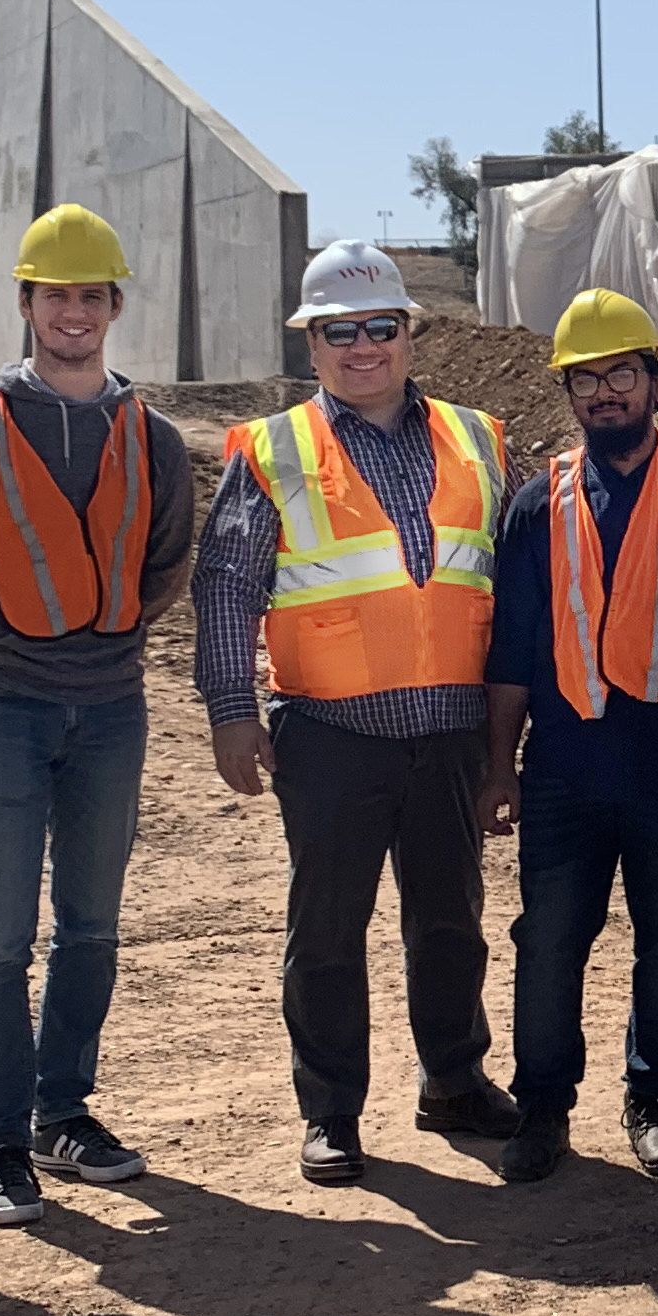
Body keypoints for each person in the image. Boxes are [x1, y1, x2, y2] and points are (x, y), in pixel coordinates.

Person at [194, 241, 520, 1184]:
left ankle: (454, 1079)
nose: (364, 347)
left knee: (452, 919)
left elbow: (516, 582)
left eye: (381, 326)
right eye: (342, 331)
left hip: (451, 728)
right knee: (329, 928)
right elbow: (226, 585)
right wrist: (229, 707)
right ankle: (331, 1108)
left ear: (411, 334)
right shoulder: (276, 448)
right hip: (330, 730)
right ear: (314, 346)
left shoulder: (479, 436)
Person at [0, 204, 195, 1228]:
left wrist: (98, 644)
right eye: (54, 295)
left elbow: (167, 563)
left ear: (115, 306)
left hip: (109, 708)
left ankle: (61, 1112)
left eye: (90, 296)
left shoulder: (152, 437)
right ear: (26, 304)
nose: (72, 313)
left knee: (91, 926)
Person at [480, 289, 658, 1185]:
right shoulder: (540, 502)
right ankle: (543, 1107)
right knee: (548, 942)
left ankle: (655, 1106)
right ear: (569, 393)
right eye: (588, 379)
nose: (606, 392)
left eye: (623, 374)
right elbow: (512, 648)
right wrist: (500, 765)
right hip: (566, 767)